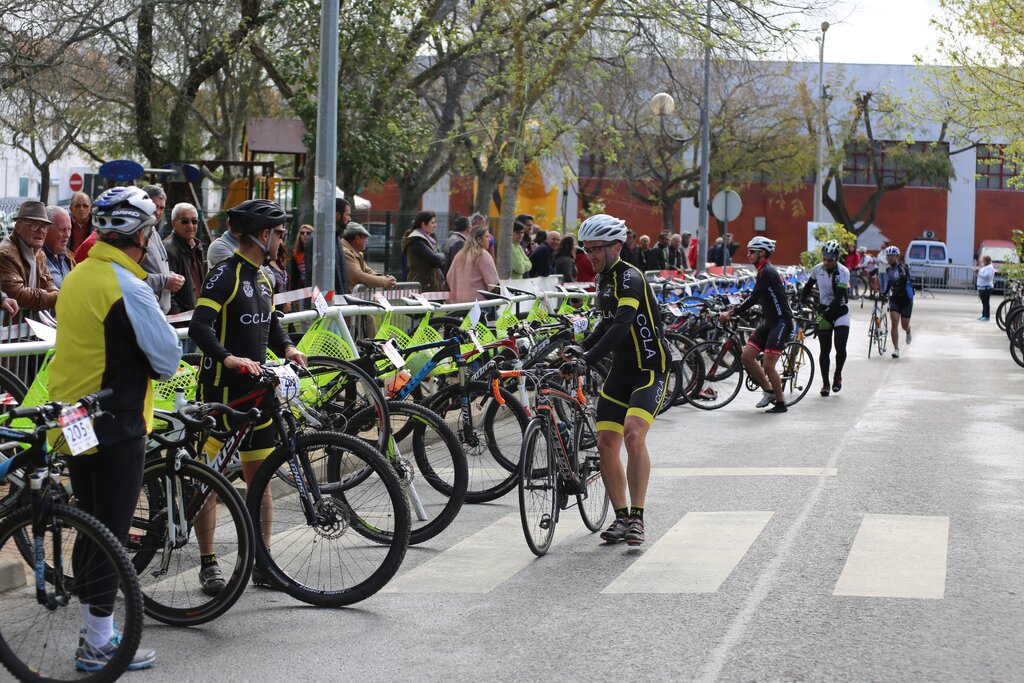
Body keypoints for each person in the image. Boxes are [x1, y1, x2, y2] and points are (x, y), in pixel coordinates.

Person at [48, 185, 181, 671]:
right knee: (112, 531)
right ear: (141, 235)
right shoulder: (129, 285)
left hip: (72, 419)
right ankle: (98, 644)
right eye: (150, 231)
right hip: (115, 421)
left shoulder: (80, 275)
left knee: (91, 525)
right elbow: (168, 360)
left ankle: (93, 629)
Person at [189, 199, 308, 592]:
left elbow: (270, 324)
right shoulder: (224, 274)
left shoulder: (265, 278)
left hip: (256, 394)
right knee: (208, 479)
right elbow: (199, 327)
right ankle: (209, 564)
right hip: (220, 394)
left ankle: (263, 562)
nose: (283, 240)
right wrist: (227, 358)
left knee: (261, 481)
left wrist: (288, 348)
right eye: (279, 233)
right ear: (263, 235)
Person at [565, 214, 669, 547]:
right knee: (606, 443)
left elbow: (622, 326)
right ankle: (621, 517)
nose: (589, 255)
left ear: (616, 247)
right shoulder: (604, 280)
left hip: (650, 370)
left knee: (633, 433)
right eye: (586, 249)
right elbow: (604, 324)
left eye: (596, 249)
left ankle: (637, 519)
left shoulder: (630, 278)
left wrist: (587, 359)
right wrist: (578, 348)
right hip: (620, 373)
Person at [719, 236, 793, 413]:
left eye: (751, 251)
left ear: (762, 252)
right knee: (746, 356)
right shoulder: (762, 271)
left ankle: (780, 403)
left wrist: (731, 313)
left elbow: (754, 297)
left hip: (782, 321)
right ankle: (769, 391)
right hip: (769, 321)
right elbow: (759, 296)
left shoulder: (767, 271)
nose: (748, 254)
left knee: (768, 364)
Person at [801, 241, 850, 396]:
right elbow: (807, 287)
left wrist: (823, 316)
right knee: (825, 350)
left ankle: (837, 375)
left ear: (836, 259)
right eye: (825, 259)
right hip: (824, 309)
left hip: (840, 310)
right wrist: (802, 301)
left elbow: (838, 299)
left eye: (830, 260)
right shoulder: (817, 269)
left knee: (840, 347)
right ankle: (825, 383)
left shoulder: (843, 272)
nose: (827, 262)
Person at [0, 200, 59, 315]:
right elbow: (18, 294)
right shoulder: (6, 253)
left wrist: (55, 294)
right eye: (34, 225)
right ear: (18, 227)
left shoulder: (40, 254)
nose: (41, 230)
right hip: (10, 330)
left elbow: (50, 284)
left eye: (44, 226)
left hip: (29, 328)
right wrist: (56, 298)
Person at [163, 202, 207, 315]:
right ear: (173, 223)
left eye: (194, 221)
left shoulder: (198, 247)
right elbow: (168, 294)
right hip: (182, 320)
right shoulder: (169, 249)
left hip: (197, 314)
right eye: (185, 221)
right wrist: (179, 320)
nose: (191, 225)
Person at [307, 197, 351, 295]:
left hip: (337, 302)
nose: (349, 218)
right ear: (337, 215)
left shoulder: (336, 238)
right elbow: (312, 275)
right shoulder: (318, 240)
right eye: (347, 215)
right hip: (325, 303)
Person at [446, 226, 499, 304]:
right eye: (487, 236)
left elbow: (449, 276)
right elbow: (493, 283)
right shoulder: (482, 254)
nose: (490, 239)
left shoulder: (460, 254)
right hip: (479, 304)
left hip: (458, 304)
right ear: (479, 239)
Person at [342, 222, 396, 290]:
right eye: (365, 238)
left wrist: (384, 278)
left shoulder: (356, 253)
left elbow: (368, 271)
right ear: (357, 238)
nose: (366, 241)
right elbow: (358, 276)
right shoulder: (346, 252)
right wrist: (384, 281)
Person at [881, 245, 913, 358]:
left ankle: (908, 331)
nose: (889, 258)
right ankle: (896, 349)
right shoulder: (888, 270)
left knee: (904, 325)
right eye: (888, 256)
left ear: (897, 257)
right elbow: (890, 283)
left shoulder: (903, 268)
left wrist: (896, 291)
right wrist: (884, 293)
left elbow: (903, 282)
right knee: (894, 323)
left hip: (906, 299)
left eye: (892, 256)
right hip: (895, 300)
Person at [402, 210, 445, 292]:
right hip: (422, 286)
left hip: (427, 285)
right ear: (423, 224)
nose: (435, 226)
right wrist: (442, 255)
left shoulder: (428, 239)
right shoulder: (416, 241)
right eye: (432, 223)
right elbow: (435, 259)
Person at [43, 205, 76, 288]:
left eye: (69, 229)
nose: (67, 235)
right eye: (62, 230)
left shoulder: (69, 257)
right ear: (46, 230)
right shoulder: (36, 260)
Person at [289, 224, 313, 290]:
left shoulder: (316, 252)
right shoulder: (296, 254)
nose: (305, 235)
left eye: (308, 233)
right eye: (302, 233)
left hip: (315, 288)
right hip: (302, 289)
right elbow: (294, 276)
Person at [976, 255, 995, 321]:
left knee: (986, 302)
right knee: (984, 302)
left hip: (986, 288)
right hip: (983, 287)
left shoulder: (989, 268)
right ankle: (984, 315)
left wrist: (978, 273)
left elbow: (987, 276)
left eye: (983, 260)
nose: (982, 262)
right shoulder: (986, 267)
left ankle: (986, 316)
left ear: (987, 261)